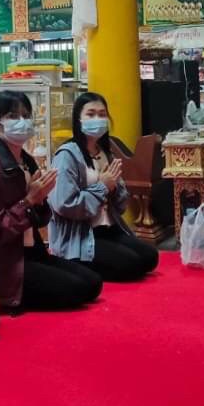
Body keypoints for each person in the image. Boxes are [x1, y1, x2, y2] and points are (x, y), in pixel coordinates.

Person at [0, 91, 102, 310]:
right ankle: (9, 297)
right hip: (6, 263)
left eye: (26, 115)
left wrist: (41, 199)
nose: (22, 122)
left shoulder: (26, 161)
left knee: (92, 283)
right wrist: (28, 201)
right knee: (77, 289)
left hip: (32, 251)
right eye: (13, 116)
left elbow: (41, 219)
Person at [47, 93, 159, 281]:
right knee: (132, 265)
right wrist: (102, 187)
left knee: (150, 256)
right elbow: (64, 204)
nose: (97, 119)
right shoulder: (67, 155)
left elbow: (121, 206)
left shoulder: (106, 152)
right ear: (78, 119)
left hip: (108, 228)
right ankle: (76, 261)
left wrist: (114, 188)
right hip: (82, 234)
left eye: (102, 114)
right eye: (90, 114)